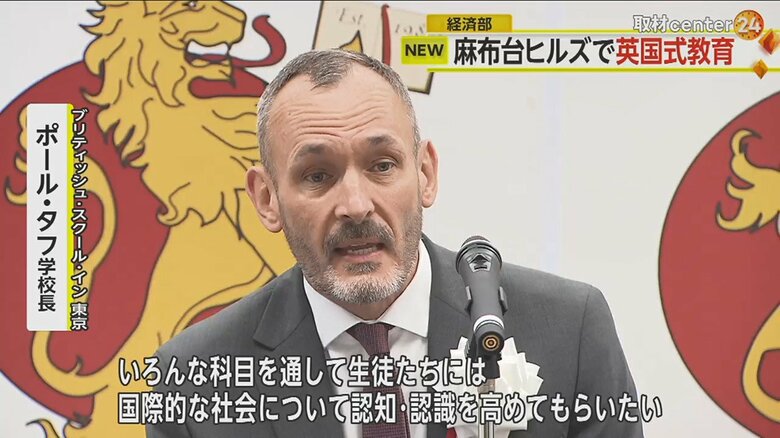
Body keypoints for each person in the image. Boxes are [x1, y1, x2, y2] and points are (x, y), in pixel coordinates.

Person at [147, 49, 643, 438]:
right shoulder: (194, 379)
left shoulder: (569, 329)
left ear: (425, 173)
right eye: (317, 175)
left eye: (382, 165)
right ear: (267, 198)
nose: (356, 205)